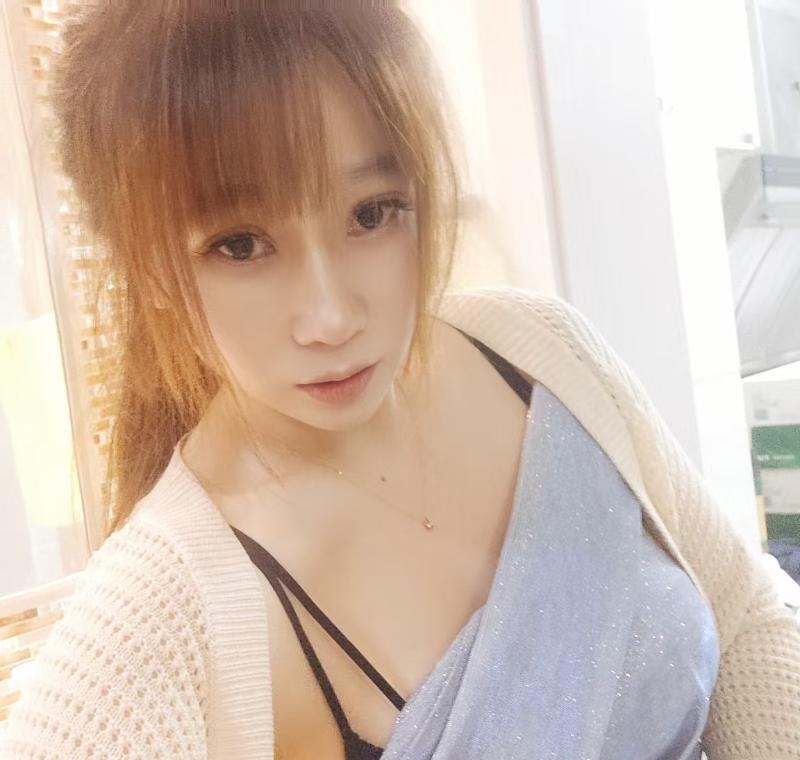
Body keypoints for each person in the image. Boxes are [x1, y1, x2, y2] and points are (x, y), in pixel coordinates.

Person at [2, 3, 799, 759]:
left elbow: (746, 621)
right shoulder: (161, 614)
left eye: (372, 212)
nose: (330, 317)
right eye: (240, 245)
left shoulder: (537, 353)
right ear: (150, 269)